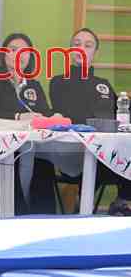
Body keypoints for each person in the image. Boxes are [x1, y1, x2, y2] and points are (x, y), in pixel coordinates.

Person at [0, 32, 58, 214]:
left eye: (24, 51)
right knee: (9, 170)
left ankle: (43, 223)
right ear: (3, 54)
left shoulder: (33, 85)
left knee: (44, 168)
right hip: (0, 153)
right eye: (13, 50)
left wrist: (54, 116)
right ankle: (18, 221)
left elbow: (44, 113)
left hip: (32, 149)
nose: (18, 55)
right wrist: (19, 117)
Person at [49, 27, 131, 216]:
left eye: (88, 45)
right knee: (105, 155)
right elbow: (72, 117)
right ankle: (83, 204)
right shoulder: (59, 82)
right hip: (75, 152)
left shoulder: (103, 84)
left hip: (106, 152)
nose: (81, 49)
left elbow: (120, 115)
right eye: (77, 44)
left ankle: (122, 201)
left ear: (95, 53)